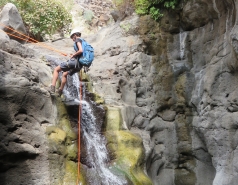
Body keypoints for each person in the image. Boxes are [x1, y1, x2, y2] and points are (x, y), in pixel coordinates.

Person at [48, 29, 83, 96]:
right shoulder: (83, 42)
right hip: (79, 65)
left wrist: (73, 55)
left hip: (74, 63)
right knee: (65, 74)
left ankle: (52, 88)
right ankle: (60, 91)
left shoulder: (78, 40)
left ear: (75, 35)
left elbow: (81, 50)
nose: (72, 39)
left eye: (72, 37)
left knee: (56, 69)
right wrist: (74, 55)